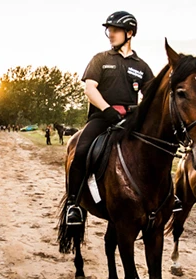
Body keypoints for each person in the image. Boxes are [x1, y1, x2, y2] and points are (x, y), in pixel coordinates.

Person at [64, 10, 154, 226]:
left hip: (131, 120)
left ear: (130, 33)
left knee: (154, 151)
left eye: (115, 30)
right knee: (81, 150)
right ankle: (73, 204)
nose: (110, 34)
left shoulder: (141, 66)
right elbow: (89, 88)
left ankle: (167, 197)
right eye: (109, 30)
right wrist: (107, 110)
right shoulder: (100, 59)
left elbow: (150, 97)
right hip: (102, 118)